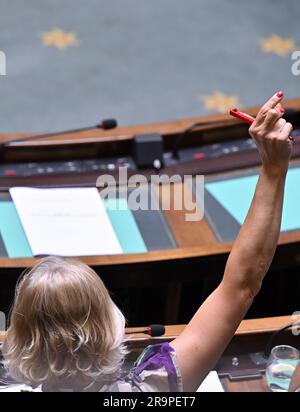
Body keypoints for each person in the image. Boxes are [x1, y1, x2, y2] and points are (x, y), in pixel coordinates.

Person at [1, 92, 293, 392]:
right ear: (111, 325)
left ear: (19, 339)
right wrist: (273, 167)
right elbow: (241, 286)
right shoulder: (153, 388)